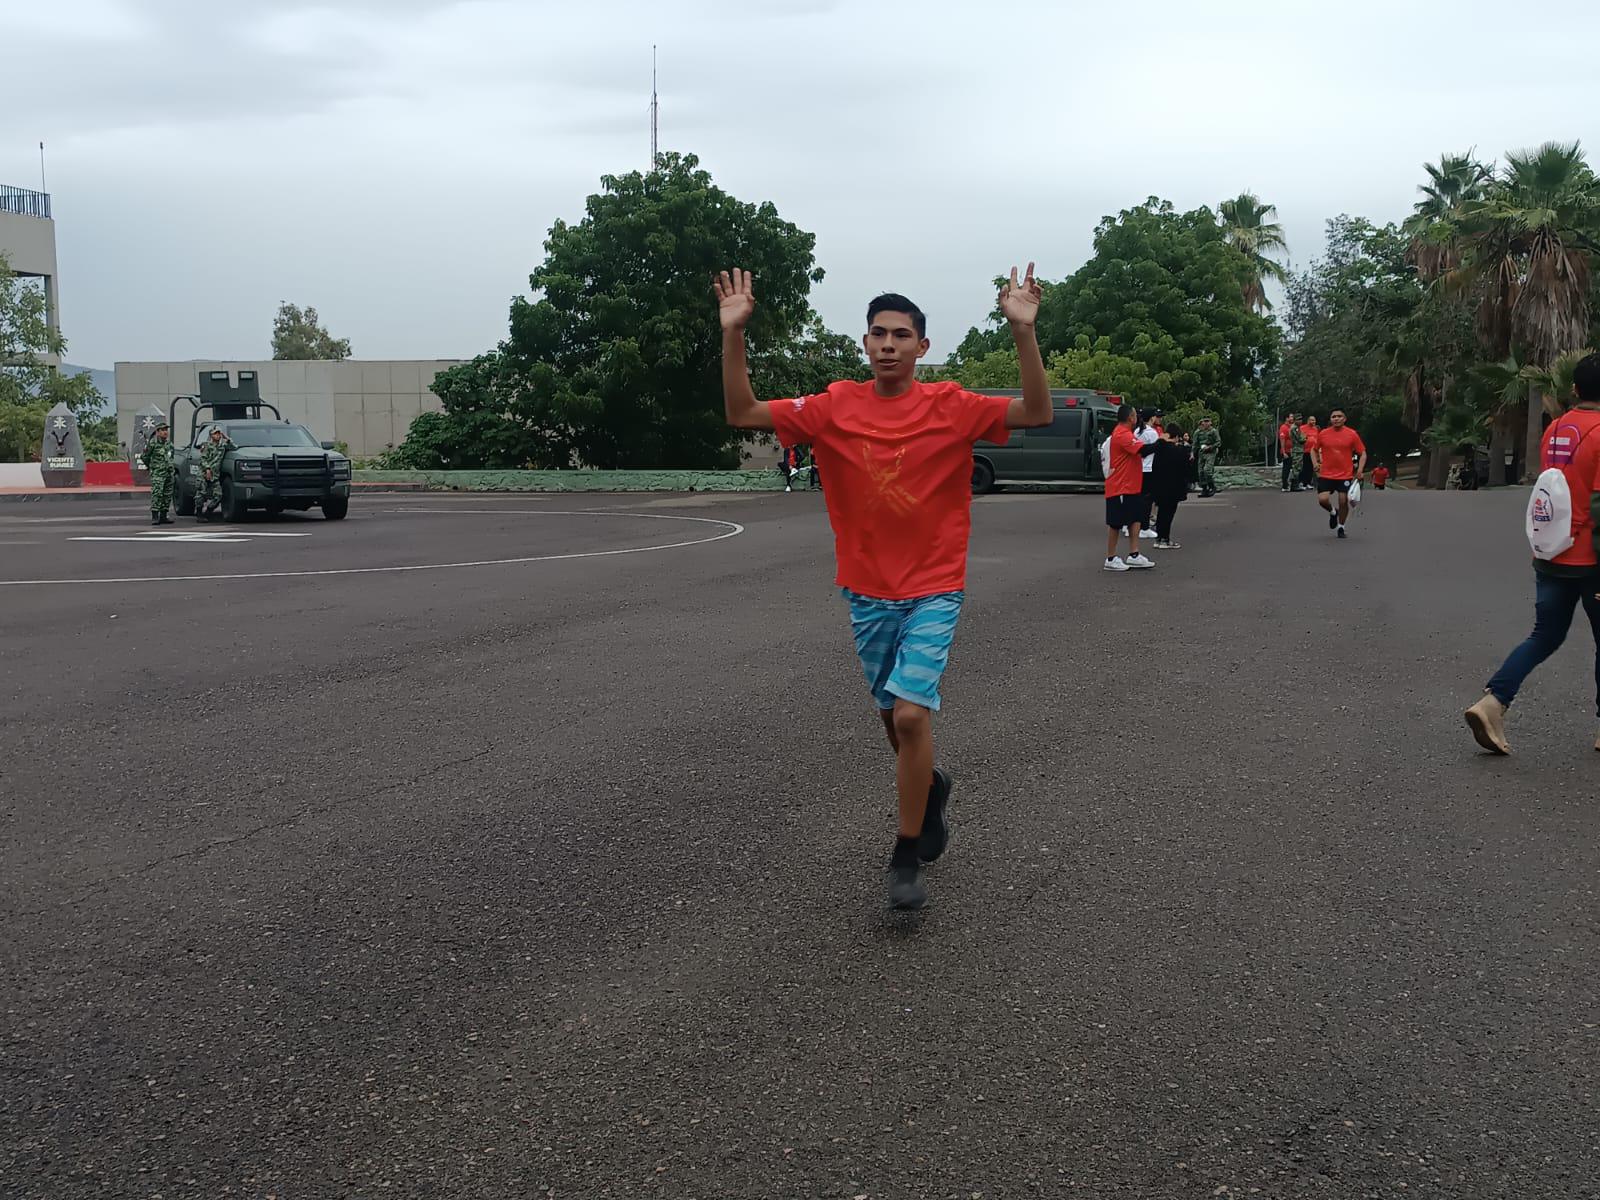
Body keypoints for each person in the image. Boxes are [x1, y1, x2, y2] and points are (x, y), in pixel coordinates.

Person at [716, 264, 1052, 911]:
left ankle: (904, 855)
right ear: (865, 344)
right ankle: (931, 787)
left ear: (923, 347)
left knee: (910, 712)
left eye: (902, 334)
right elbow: (741, 411)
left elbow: (1036, 410)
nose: (889, 343)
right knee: (891, 721)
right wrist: (734, 335)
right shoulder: (833, 406)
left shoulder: (951, 406)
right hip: (868, 593)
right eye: (879, 333)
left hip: (934, 587)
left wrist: (1023, 333)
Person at [1465, 353, 1600, 755]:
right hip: (1591, 559)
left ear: (1574, 389)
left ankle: (1492, 702)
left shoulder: (1555, 428)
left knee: (1545, 635)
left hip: (1551, 554)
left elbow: (1552, 490)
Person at [1104, 403, 1158, 571]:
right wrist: (1163, 442)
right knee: (1115, 523)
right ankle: (1111, 558)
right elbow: (1143, 450)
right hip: (1120, 486)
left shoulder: (1127, 433)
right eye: (1135, 414)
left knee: (1135, 519)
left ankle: (1134, 555)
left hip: (1131, 485)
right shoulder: (1121, 434)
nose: (1137, 417)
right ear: (1130, 417)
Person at [1313, 409, 1367, 539]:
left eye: (1339, 416)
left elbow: (1363, 453)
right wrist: (1315, 463)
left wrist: (1360, 470)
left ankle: (1341, 527)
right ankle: (1333, 512)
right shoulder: (1323, 434)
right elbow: (1313, 450)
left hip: (1345, 475)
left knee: (1343, 501)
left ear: (1344, 419)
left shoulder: (1352, 434)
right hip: (1326, 474)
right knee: (1323, 500)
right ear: (1330, 419)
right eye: (1333, 417)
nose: (1336, 419)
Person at [1149, 422, 1191, 549]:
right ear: (1177, 437)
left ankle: (1159, 538)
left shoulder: (1159, 449)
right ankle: (1165, 539)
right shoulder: (1180, 451)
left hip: (1160, 485)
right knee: (1169, 513)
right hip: (1174, 487)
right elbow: (1186, 468)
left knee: (1161, 512)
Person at [196, 426, 234, 520]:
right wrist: (207, 469)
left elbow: (233, 446)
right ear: (211, 435)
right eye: (215, 433)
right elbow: (203, 459)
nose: (217, 435)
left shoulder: (222, 446)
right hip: (204, 474)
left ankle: (208, 512)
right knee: (201, 493)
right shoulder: (206, 445)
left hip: (215, 475)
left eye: (218, 433)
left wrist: (226, 438)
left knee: (218, 495)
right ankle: (199, 514)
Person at [1135, 408, 1161, 539]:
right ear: (1152, 418)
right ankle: (1144, 527)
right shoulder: (1152, 433)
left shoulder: (1137, 431)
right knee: (1147, 499)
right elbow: (1157, 450)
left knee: (1139, 498)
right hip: (1149, 468)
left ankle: (1135, 524)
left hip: (1138, 468)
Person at [144, 421, 176, 526]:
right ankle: (155, 516)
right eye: (162, 430)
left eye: (166, 430)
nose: (165, 432)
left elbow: (171, 457)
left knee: (167, 495)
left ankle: (164, 515)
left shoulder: (169, 444)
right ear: (157, 432)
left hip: (168, 473)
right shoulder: (153, 444)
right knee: (157, 494)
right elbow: (145, 457)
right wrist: (153, 467)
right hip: (158, 473)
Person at [1193, 416, 1221, 497]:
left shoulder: (1213, 431)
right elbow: (1195, 444)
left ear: (1210, 422)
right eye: (1204, 421)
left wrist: (1210, 447)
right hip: (1201, 452)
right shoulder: (1198, 432)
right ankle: (1204, 489)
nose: (1205, 423)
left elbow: (1218, 442)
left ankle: (1212, 487)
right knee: (1200, 471)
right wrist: (1192, 453)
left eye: (1207, 421)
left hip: (1211, 452)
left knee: (1207, 470)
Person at [1298, 414, 1320, 492]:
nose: (1313, 421)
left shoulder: (1315, 429)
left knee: (1311, 467)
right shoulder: (1302, 428)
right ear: (1308, 421)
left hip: (1313, 451)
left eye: (1314, 420)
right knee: (1305, 467)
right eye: (1311, 420)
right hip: (1304, 451)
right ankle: (1302, 482)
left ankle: (1308, 483)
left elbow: (1317, 439)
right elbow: (1301, 438)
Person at [1279, 414, 1297, 491]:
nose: (1292, 418)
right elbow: (1282, 440)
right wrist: (1283, 452)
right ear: (1287, 418)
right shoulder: (1284, 427)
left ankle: (1292, 484)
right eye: (1291, 417)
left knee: (1292, 468)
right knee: (1286, 469)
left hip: (1292, 451)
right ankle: (1285, 485)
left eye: (1293, 417)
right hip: (1286, 451)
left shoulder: (1292, 427)